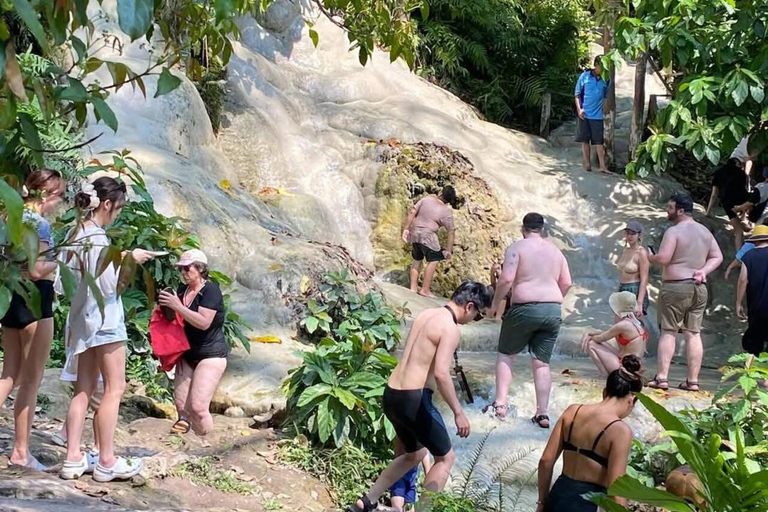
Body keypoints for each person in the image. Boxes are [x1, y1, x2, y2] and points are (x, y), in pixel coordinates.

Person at [347, 282, 490, 512]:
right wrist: (459, 412)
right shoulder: (450, 328)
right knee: (446, 457)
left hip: (392, 394)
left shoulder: (426, 314)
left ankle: (366, 502)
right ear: (469, 306)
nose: (473, 320)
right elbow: (442, 374)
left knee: (414, 454)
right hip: (414, 398)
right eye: (477, 316)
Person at [59, 177, 156, 482]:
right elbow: (110, 287)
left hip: (80, 321)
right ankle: (106, 461)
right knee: (115, 389)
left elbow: (63, 284)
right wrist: (130, 260)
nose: (119, 213)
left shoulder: (75, 233)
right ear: (106, 204)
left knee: (83, 389)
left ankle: (73, 458)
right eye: (120, 207)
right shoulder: (99, 239)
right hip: (105, 321)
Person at [0, 169, 66, 469]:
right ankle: (21, 452)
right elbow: (39, 269)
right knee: (31, 381)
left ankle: (21, 450)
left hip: (11, 294)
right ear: (46, 195)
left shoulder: (8, 217)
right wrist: (62, 257)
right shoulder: (38, 224)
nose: (59, 204)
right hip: (35, 299)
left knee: (8, 374)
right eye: (59, 197)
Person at [485, 213, 572, 426]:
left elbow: (506, 279)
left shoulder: (517, 247)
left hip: (524, 308)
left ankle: (501, 404)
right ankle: (542, 413)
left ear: (523, 228)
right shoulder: (556, 251)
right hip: (552, 309)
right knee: (542, 363)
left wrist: (494, 305)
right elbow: (567, 282)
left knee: (507, 354)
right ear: (541, 229)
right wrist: (553, 299)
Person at [537, 355, 642, 512]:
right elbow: (616, 489)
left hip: (557, 495)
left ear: (604, 392)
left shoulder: (573, 411)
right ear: (631, 400)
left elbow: (546, 461)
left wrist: (542, 502)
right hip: (587, 504)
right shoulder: (620, 431)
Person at [647, 193, 723, 392]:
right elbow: (717, 256)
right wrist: (703, 271)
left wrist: (650, 256)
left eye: (670, 207)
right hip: (699, 288)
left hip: (676, 287)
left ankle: (662, 377)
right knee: (693, 333)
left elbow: (664, 258)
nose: (667, 210)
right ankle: (693, 381)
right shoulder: (704, 231)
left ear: (681, 210)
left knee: (669, 332)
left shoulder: (674, 232)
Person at [158, 249, 228, 436]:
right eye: (181, 269)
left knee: (197, 407)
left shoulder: (210, 290)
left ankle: (209, 448)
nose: (183, 273)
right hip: (187, 353)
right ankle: (191, 446)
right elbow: (174, 318)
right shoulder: (182, 290)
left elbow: (203, 322)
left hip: (211, 354)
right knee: (182, 408)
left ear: (200, 269)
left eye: (187, 269)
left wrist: (177, 306)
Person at [401, 187, 456, 297]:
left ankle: (413, 288)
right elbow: (451, 231)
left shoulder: (426, 199)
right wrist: (449, 250)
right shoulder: (446, 212)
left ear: (440, 193)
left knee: (417, 260)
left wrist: (406, 228)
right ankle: (425, 290)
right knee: (435, 260)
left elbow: (412, 211)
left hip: (415, 233)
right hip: (428, 236)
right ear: (450, 200)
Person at [582, 291, 648, 376]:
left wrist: (589, 336)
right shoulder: (637, 324)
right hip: (634, 365)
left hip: (625, 367)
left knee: (591, 344)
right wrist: (593, 333)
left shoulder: (623, 325)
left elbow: (600, 338)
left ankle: (605, 376)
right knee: (596, 342)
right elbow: (609, 333)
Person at [574, 56, 611, 174]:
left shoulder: (607, 79)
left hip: (597, 116)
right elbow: (577, 94)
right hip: (584, 114)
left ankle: (602, 166)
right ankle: (587, 163)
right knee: (585, 140)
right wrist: (579, 109)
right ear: (595, 65)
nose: (603, 68)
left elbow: (605, 96)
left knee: (599, 141)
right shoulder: (584, 76)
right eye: (601, 66)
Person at [736, 225, 768, 361]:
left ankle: (754, 371)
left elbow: (743, 280)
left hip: (756, 307)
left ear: (755, 241)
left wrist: (738, 303)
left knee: (755, 340)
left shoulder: (748, 256)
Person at [705, 158, 749, 249]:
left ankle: (738, 257)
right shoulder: (742, 174)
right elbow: (744, 191)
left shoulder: (719, 173)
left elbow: (714, 195)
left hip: (728, 202)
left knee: (738, 232)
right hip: (742, 202)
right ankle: (744, 218)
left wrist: (708, 212)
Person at [616, 220, 650, 317]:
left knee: (632, 326)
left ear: (639, 235)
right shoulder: (626, 250)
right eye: (628, 233)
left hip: (634, 289)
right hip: (622, 289)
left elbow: (644, 280)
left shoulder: (641, 252)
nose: (630, 236)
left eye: (633, 234)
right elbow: (622, 273)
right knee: (619, 325)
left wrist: (639, 303)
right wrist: (617, 290)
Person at [389, 438, 432, 512]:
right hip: (399, 477)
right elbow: (397, 454)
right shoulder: (403, 435)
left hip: (411, 481)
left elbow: (425, 457)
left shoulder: (422, 445)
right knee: (397, 509)